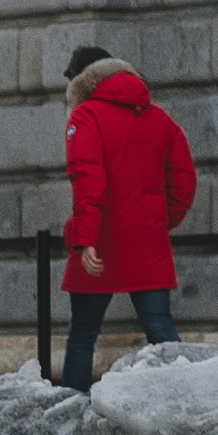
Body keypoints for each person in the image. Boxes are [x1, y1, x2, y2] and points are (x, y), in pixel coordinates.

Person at [57, 47, 197, 391]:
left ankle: (71, 408)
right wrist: (159, 222)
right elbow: (183, 183)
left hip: (100, 239)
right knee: (161, 330)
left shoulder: (85, 116)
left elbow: (88, 180)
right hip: (146, 239)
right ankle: (187, 396)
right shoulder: (161, 119)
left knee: (82, 336)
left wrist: (86, 237)